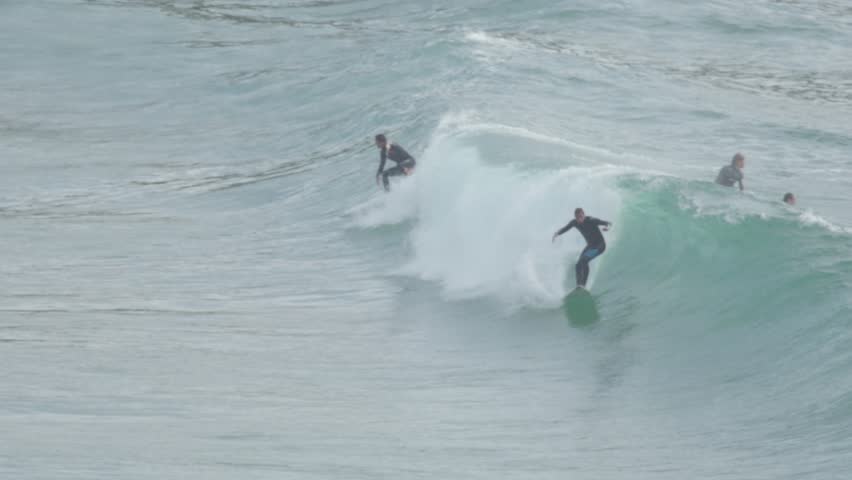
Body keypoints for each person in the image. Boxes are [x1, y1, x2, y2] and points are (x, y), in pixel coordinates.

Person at [552, 208, 612, 289]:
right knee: (578, 265)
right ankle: (579, 286)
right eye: (577, 218)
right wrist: (557, 233)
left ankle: (582, 285)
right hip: (590, 246)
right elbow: (566, 228)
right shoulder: (574, 222)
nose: (579, 219)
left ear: (584, 214)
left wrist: (607, 228)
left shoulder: (591, 220)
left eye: (580, 216)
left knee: (583, 261)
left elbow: (607, 223)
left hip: (600, 246)